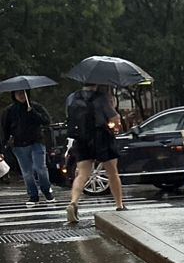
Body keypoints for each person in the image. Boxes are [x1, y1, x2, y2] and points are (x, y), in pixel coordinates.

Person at [65, 84, 125, 222]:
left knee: (82, 174)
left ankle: (73, 203)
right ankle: (119, 205)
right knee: (112, 173)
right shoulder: (102, 98)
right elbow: (114, 118)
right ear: (96, 83)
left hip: (81, 139)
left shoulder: (72, 98)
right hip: (102, 138)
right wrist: (116, 125)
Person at [1, 91, 54, 208]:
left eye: (23, 93)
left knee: (40, 168)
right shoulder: (9, 111)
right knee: (27, 173)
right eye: (18, 94)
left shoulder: (35, 107)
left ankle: (47, 191)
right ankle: (33, 195)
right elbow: (5, 129)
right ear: (14, 95)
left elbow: (46, 121)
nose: (21, 96)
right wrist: (3, 146)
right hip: (19, 145)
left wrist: (33, 113)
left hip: (37, 142)